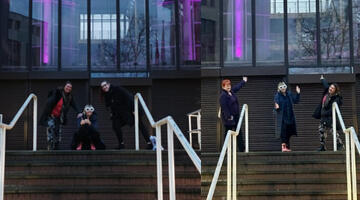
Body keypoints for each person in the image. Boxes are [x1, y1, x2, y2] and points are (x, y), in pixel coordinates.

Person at [100, 81, 153, 149]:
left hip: (131, 110)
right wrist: (112, 115)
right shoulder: (107, 96)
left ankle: (150, 143)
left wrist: (134, 109)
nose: (104, 87)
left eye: (105, 85)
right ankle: (121, 144)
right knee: (116, 125)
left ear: (109, 84)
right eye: (102, 87)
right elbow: (113, 106)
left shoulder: (117, 89)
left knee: (140, 125)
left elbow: (128, 97)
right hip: (122, 114)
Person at [39, 81, 82, 150]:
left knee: (58, 131)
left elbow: (74, 105)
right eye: (67, 86)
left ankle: (56, 146)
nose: (69, 88)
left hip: (59, 116)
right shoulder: (58, 93)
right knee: (50, 129)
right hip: (51, 114)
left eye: (70, 87)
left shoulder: (70, 97)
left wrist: (79, 112)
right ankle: (50, 146)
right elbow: (50, 97)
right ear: (64, 86)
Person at [313, 75, 344, 151]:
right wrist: (322, 79)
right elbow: (325, 85)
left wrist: (326, 113)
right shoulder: (326, 93)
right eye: (330, 87)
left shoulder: (337, 98)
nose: (330, 88)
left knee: (333, 131)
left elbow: (335, 108)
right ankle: (323, 146)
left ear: (335, 90)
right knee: (321, 131)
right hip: (323, 117)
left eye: (333, 88)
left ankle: (340, 145)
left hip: (330, 117)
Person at [219, 77, 247, 152]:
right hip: (229, 117)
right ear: (223, 86)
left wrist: (243, 81)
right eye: (226, 85)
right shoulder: (223, 95)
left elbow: (237, 87)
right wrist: (229, 117)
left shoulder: (231, 92)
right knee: (228, 133)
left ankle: (242, 148)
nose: (228, 86)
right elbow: (224, 107)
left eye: (229, 85)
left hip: (236, 116)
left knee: (238, 132)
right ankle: (226, 149)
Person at [274, 82, 300, 152]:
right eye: (281, 87)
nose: (283, 89)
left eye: (284, 87)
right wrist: (276, 107)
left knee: (289, 132)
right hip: (283, 117)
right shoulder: (277, 95)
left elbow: (296, 101)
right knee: (283, 131)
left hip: (290, 116)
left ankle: (287, 147)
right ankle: (283, 147)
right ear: (279, 89)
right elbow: (276, 105)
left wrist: (298, 93)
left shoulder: (289, 94)